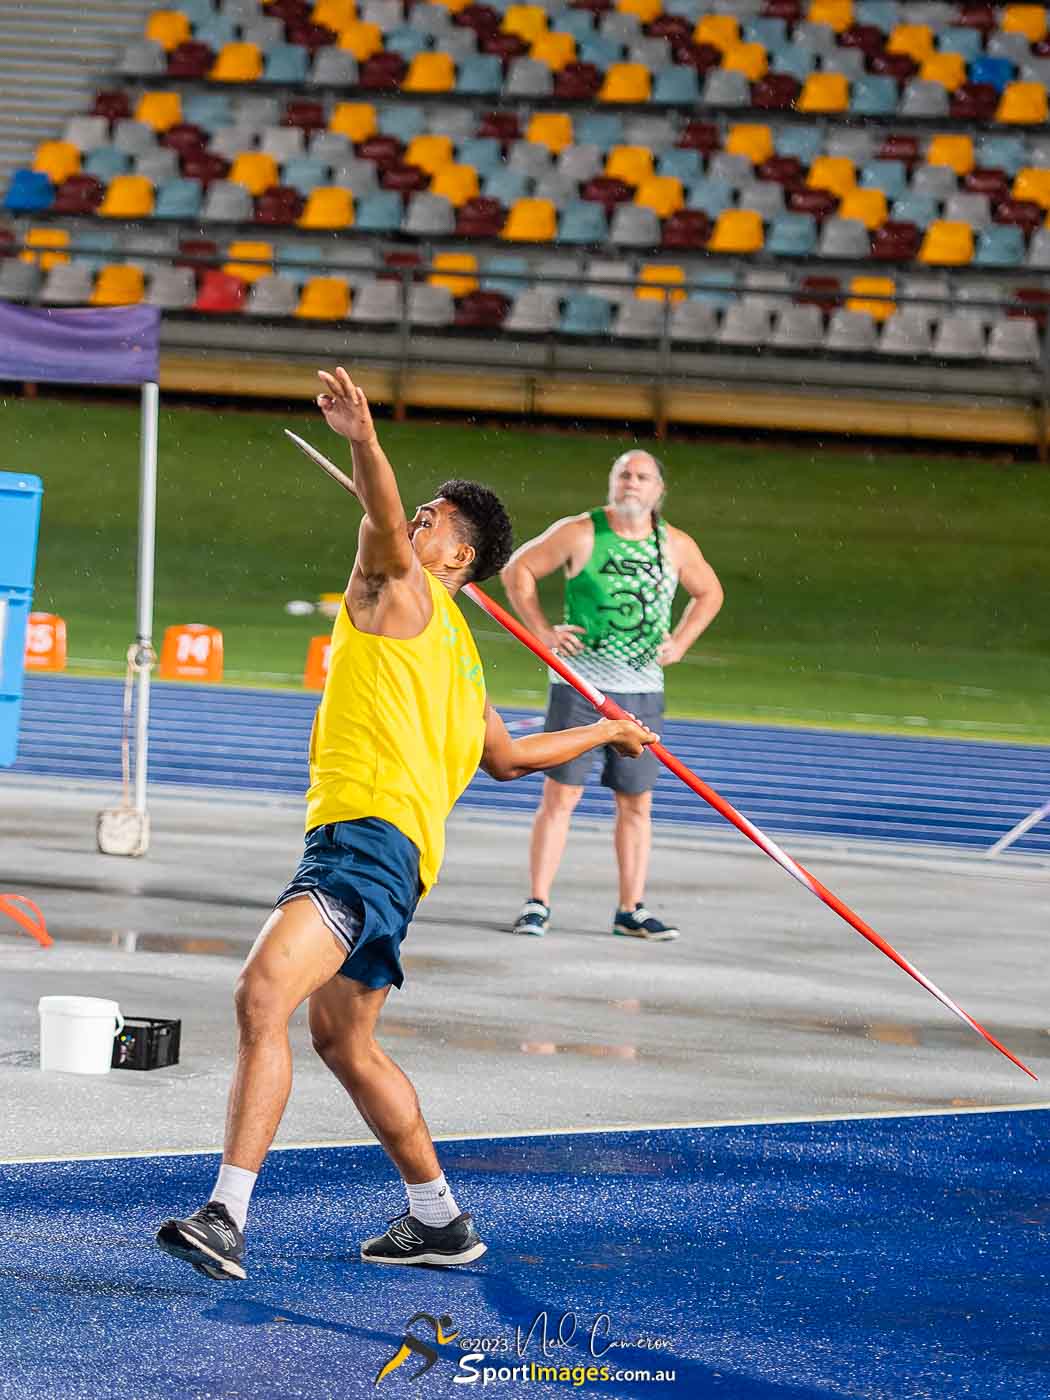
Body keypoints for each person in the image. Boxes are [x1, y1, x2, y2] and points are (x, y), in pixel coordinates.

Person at [155, 368, 657, 1281]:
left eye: (434, 519)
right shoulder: (459, 655)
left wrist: (365, 441)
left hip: (365, 846)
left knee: (260, 995)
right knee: (345, 1043)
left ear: (457, 560)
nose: (414, 521)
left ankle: (226, 1216)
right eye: (416, 511)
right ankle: (439, 1220)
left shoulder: (400, 591)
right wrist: (607, 727)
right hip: (399, 866)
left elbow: (381, 519)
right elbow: (507, 758)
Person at [501, 450, 724, 942]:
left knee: (635, 801)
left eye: (643, 476)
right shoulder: (581, 531)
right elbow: (518, 571)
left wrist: (681, 642)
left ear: (658, 491)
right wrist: (542, 632)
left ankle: (631, 909)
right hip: (580, 686)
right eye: (623, 473)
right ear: (610, 482)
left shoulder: (676, 545)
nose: (632, 482)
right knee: (561, 795)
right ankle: (537, 903)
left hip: (642, 691)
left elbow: (710, 592)